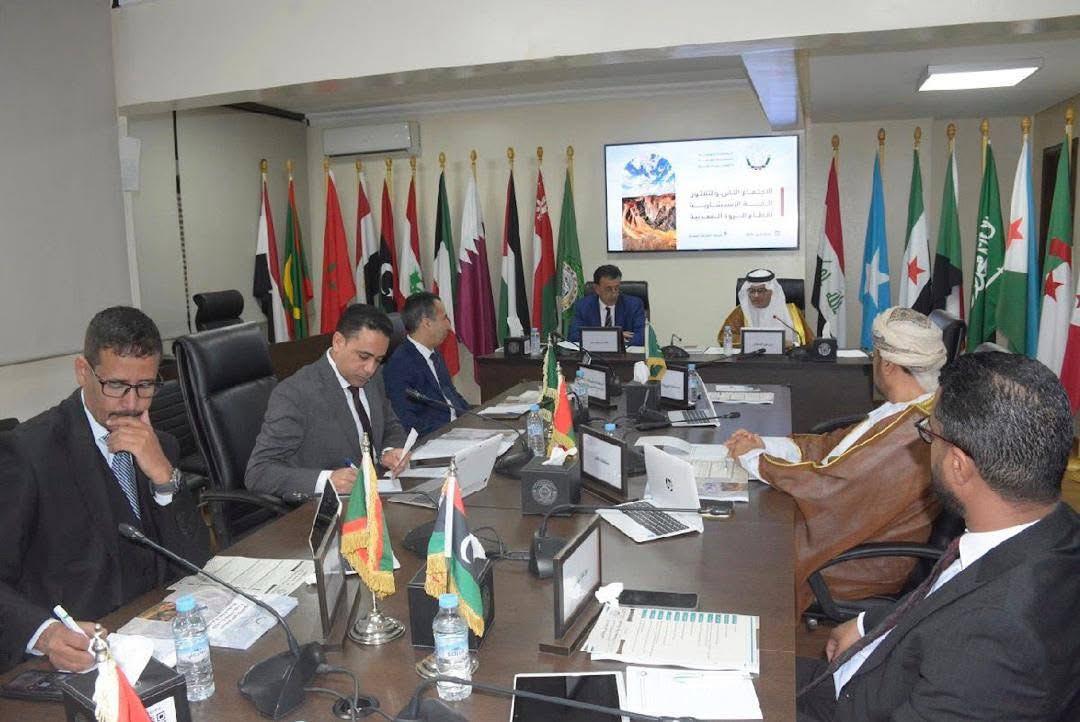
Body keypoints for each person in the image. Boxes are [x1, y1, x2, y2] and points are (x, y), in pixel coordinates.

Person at [796, 352, 1080, 721]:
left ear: (958, 466)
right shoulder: (1056, 530)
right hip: (862, 676)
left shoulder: (997, 641)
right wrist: (871, 624)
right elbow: (951, 596)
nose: (927, 445)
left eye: (929, 433)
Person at [0, 307, 207, 673]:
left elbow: (196, 561)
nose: (131, 403)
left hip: (153, 639)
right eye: (116, 386)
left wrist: (164, 477)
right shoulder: (29, 453)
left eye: (145, 386)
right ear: (83, 372)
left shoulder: (159, 445)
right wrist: (43, 634)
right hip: (76, 654)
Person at [725, 307, 946, 614]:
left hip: (854, 562)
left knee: (739, 553)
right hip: (856, 534)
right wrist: (766, 445)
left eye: (874, 354)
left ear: (888, 365)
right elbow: (834, 446)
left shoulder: (911, 431)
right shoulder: (909, 408)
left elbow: (830, 487)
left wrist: (756, 460)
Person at [246, 303, 409, 497]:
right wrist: (327, 480)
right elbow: (258, 473)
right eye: (363, 356)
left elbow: (390, 424)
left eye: (378, 359)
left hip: (378, 492)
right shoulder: (295, 393)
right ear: (338, 342)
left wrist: (390, 450)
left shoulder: (373, 377)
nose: (370, 369)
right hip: (326, 505)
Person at [384, 292, 470, 437]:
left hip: (458, 429)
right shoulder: (399, 365)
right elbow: (408, 421)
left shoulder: (434, 353)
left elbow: (451, 394)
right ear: (427, 323)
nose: (449, 325)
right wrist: (451, 432)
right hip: (436, 438)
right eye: (444, 318)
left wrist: (475, 419)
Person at [719, 268, 812, 347]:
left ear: (771, 291)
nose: (755, 295)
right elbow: (724, 338)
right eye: (752, 291)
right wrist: (767, 341)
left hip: (787, 360)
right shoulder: (741, 311)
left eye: (761, 291)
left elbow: (809, 341)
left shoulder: (792, 312)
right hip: (751, 360)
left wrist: (792, 344)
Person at [568, 264, 646, 346]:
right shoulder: (583, 306)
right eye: (609, 289)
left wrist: (596, 338)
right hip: (594, 353)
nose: (614, 293)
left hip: (625, 353)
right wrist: (615, 336)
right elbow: (574, 336)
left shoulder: (633, 305)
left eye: (617, 288)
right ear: (597, 289)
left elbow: (642, 337)